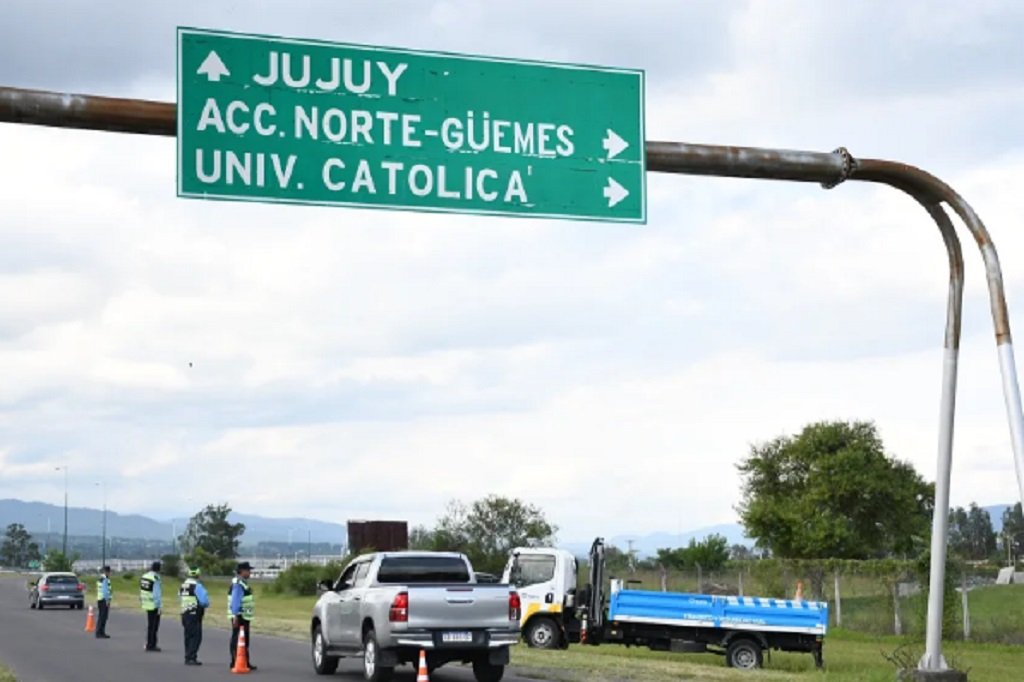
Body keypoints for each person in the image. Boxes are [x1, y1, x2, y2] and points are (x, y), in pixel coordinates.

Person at [228, 561, 256, 671]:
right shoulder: (238, 584)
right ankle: (236, 661)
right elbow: (236, 600)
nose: (250, 572)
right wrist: (235, 615)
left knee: (243, 640)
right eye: (248, 570)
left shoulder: (242, 583)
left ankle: (244, 661)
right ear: (242, 571)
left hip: (244, 616)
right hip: (240, 616)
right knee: (238, 639)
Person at [179, 567, 210, 665]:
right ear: (198, 575)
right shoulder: (197, 586)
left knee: (187, 635)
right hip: (195, 614)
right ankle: (192, 657)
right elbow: (204, 602)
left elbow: (179, 598)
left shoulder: (183, 586)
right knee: (196, 636)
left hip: (184, 613)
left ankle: (187, 656)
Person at [139, 560, 162, 652]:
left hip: (146, 602)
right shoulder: (155, 578)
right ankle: (151, 644)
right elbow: (157, 594)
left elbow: (141, 589)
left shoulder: (144, 576)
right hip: (153, 604)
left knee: (150, 625)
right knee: (154, 626)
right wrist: (159, 606)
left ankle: (149, 643)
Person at [95, 565, 112, 639]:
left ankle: (100, 632)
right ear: (107, 572)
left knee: (101, 616)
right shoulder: (105, 579)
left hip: (99, 599)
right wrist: (107, 600)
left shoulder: (100, 578)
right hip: (103, 600)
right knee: (103, 617)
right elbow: (105, 591)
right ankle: (100, 632)